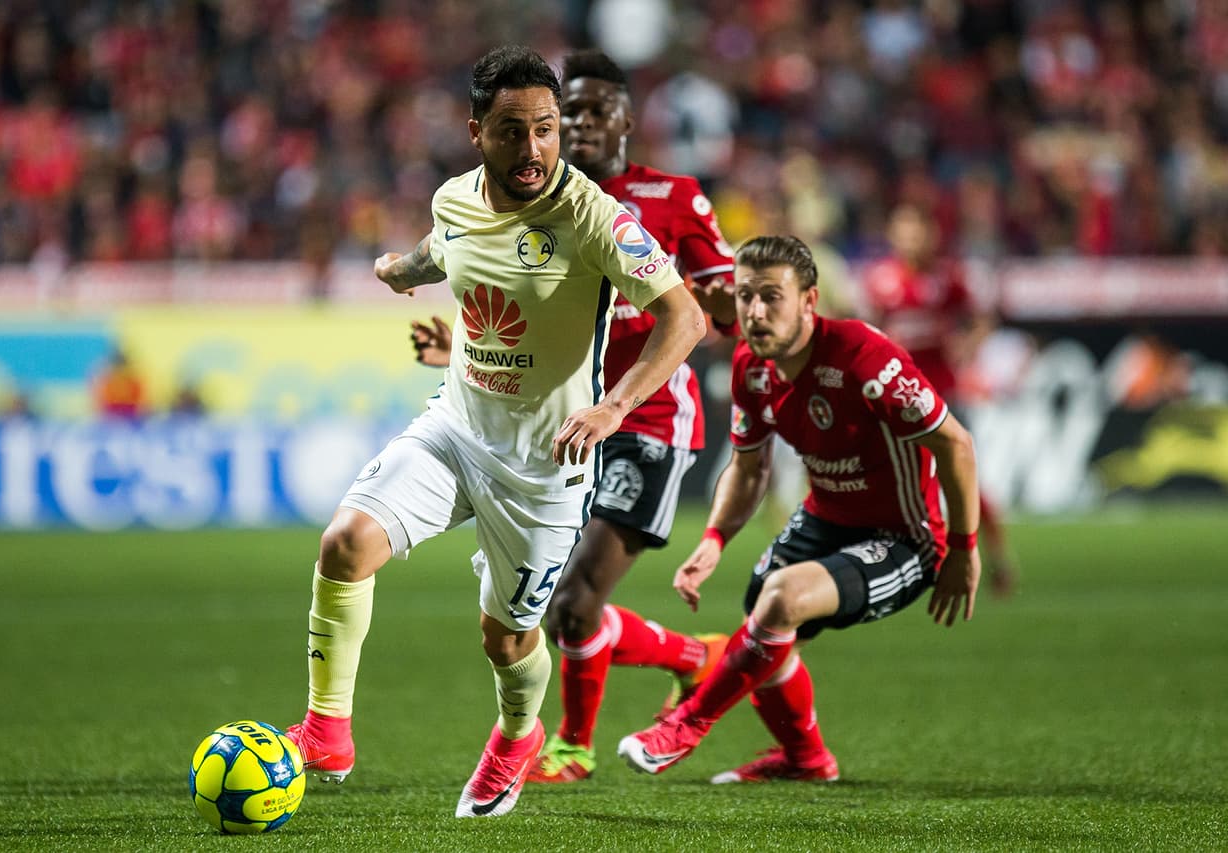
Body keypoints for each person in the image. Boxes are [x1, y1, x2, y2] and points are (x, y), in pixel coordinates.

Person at [284, 45, 705, 819]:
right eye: (513, 131)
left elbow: (687, 316)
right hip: (456, 426)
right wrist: (399, 271)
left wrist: (613, 407)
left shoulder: (594, 217)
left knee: (506, 638)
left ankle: (518, 733)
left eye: (545, 129)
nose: (534, 148)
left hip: (545, 468)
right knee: (345, 542)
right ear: (477, 132)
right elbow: (439, 251)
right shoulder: (456, 199)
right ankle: (326, 729)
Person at [410, 48, 738, 785]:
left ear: (625, 118)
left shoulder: (671, 196)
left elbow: (717, 298)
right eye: (573, 113)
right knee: (557, 603)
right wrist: (461, 348)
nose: (580, 126)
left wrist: (735, 306)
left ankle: (573, 744)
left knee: (574, 597)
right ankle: (694, 656)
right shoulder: (542, 203)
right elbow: (528, 323)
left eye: (592, 112)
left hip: (644, 422)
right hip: (560, 426)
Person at [617, 235, 982, 781]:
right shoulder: (752, 367)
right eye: (745, 297)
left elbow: (955, 444)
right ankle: (807, 759)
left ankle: (683, 727)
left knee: (779, 601)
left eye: (771, 297)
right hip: (824, 518)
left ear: (809, 301)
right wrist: (714, 540)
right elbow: (748, 468)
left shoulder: (867, 359)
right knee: (760, 629)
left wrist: (963, 549)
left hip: (905, 536)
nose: (755, 312)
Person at [864, 202, 1017, 595]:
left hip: (943, 395)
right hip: (896, 398)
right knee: (898, 481)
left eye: (916, 231)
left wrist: (966, 347)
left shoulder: (947, 279)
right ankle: (906, 564)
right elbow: (868, 332)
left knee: (962, 478)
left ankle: (997, 558)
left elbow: (981, 318)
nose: (910, 239)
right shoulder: (882, 280)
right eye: (903, 231)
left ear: (930, 235)